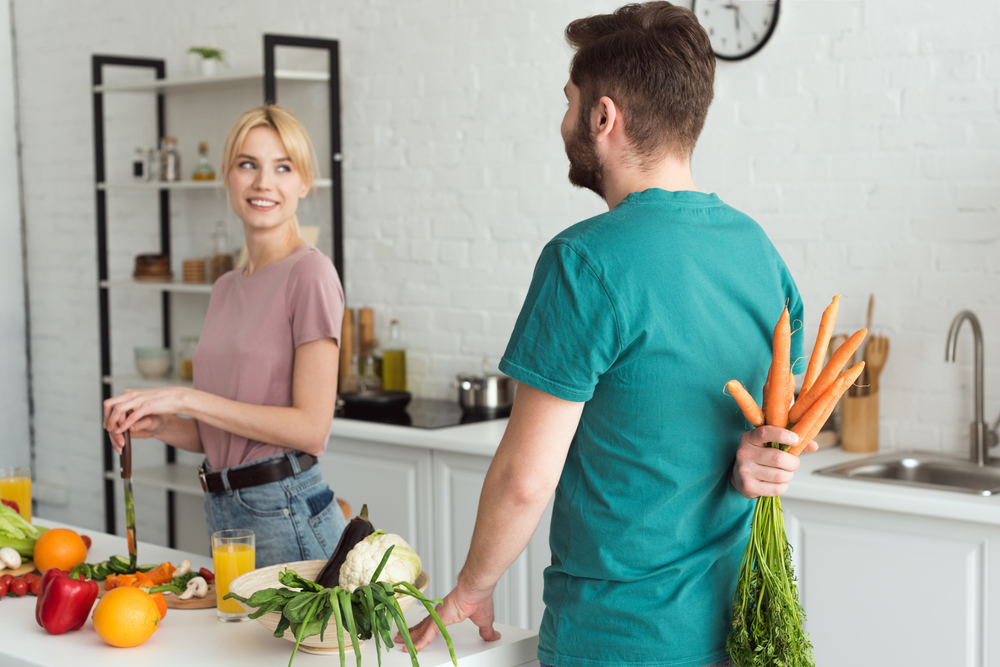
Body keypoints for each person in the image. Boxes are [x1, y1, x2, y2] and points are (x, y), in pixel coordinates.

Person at [402, 4, 816, 667]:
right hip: (736, 626)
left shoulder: (584, 261)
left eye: (569, 103)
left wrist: (471, 589)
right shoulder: (758, 252)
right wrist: (756, 460)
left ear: (603, 116)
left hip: (618, 638)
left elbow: (523, 480)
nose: (563, 122)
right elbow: (780, 432)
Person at [103, 105, 349, 567]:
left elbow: (311, 429)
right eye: (247, 164)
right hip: (225, 508)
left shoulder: (310, 274)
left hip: (286, 507)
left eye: (283, 167)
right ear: (227, 176)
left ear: (305, 183)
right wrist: (163, 426)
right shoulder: (224, 287)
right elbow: (226, 430)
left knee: (297, 644)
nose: (262, 182)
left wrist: (184, 398)